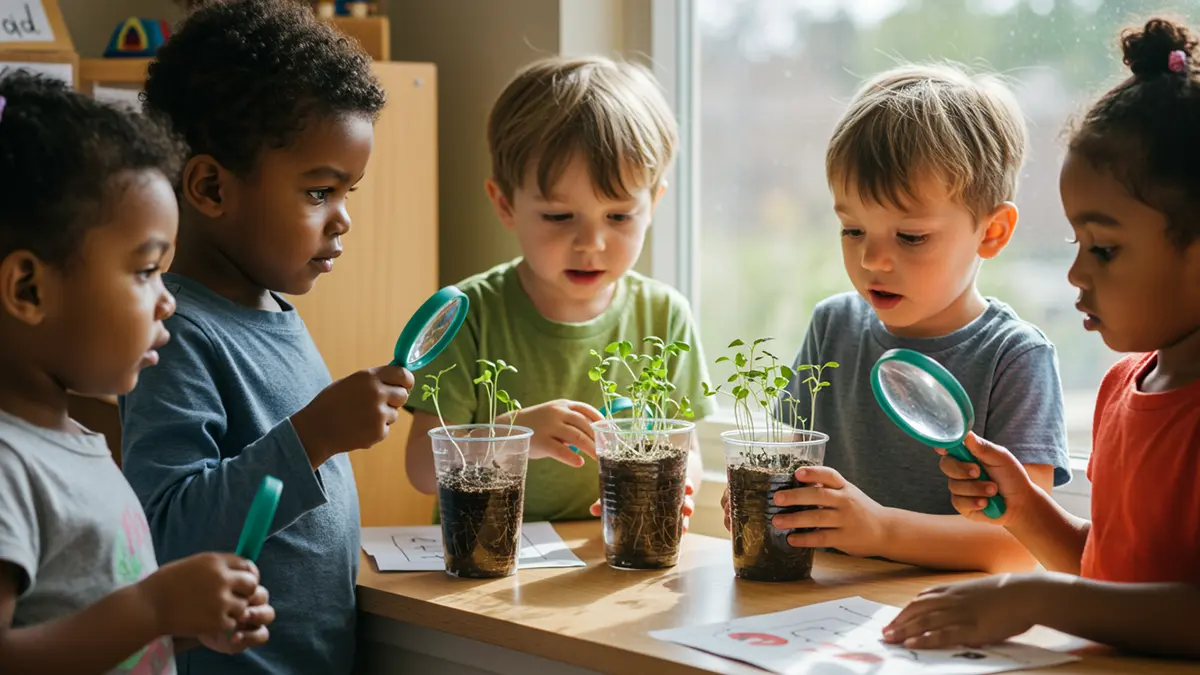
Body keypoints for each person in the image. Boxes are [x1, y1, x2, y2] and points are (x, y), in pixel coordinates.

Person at [884, 18, 1200, 657]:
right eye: (1076, 243)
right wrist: (1026, 510)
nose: (1076, 273)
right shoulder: (1121, 389)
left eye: (1105, 249)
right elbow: (1109, 571)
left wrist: (1032, 598)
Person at [118, 1, 407, 673]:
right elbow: (166, 532)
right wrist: (314, 436)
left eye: (348, 193)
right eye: (318, 192)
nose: (342, 221)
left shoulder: (274, 310)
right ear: (213, 187)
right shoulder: (176, 335)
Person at [722, 62, 1072, 573]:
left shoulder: (1015, 359)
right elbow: (781, 456)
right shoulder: (832, 328)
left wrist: (880, 529)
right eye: (852, 230)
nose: (871, 261)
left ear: (992, 232)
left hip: (945, 619)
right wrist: (760, 498)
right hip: (824, 605)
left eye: (910, 237)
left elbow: (1020, 546)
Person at [0, 70, 274, 674]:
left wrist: (181, 625)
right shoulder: (8, 466)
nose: (167, 299)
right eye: (146, 271)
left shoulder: (79, 448)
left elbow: (85, 634)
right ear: (28, 287)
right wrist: (152, 608)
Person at [403, 56, 715, 523]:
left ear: (654, 204)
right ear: (505, 205)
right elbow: (423, 471)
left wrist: (679, 482)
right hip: (485, 562)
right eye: (558, 216)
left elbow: (686, 449)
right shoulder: (466, 315)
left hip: (606, 560)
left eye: (619, 216)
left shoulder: (664, 315)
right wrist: (514, 434)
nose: (591, 242)